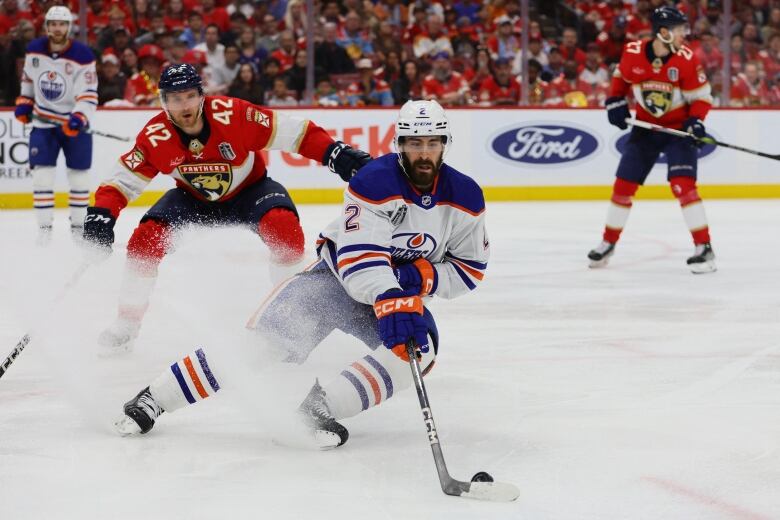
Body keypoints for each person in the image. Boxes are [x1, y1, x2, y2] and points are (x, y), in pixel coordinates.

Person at [113, 100, 490, 450]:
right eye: (413, 142)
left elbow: (470, 268)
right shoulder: (374, 181)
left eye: (432, 142)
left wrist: (417, 280)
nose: (423, 153)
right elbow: (359, 260)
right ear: (398, 143)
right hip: (332, 283)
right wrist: (394, 296)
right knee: (262, 346)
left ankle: (320, 408)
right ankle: (154, 398)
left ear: (445, 143)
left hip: (394, 295)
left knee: (418, 351)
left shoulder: (466, 196)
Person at [81, 63, 371, 355]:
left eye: (190, 96)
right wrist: (101, 215)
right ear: (163, 101)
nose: (184, 106)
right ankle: (126, 325)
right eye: (175, 98)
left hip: (250, 192)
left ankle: (292, 318)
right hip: (192, 200)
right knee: (145, 241)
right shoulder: (156, 136)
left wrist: (334, 152)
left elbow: (296, 133)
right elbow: (120, 182)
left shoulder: (235, 115)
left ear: (202, 95)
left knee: (284, 229)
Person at [589, 6, 716, 274]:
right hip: (645, 130)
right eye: (680, 29)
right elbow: (620, 79)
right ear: (663, 32)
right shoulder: (633, 52)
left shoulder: (687, 59)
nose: (685, 34)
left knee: (684, 187)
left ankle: (704, 248)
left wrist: (696, 121)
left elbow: (702, 97)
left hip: (677, 132)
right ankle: (608, 243)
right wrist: (615, 101)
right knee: (622, 187)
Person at [14, 5, 97, 245]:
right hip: (43, 124)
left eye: (62, 24)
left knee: (80, 179)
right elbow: (28, 81)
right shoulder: (34, 50)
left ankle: (79, 229)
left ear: (68, 27)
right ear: (47, 26)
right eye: (53, 24)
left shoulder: (83, 56)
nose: (57, 28)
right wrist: (25, 102)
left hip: (74, 125)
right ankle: (44, 230)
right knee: (42, 177)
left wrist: (79, 117)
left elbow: (89, 94)